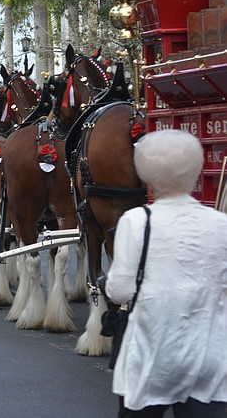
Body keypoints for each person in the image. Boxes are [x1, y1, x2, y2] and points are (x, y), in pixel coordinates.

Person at [105, 130, 227, 416]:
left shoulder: (137, 221)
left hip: (152, 349)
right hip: (209, 352)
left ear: (146, 175)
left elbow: (120, 290)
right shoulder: (221, 223)